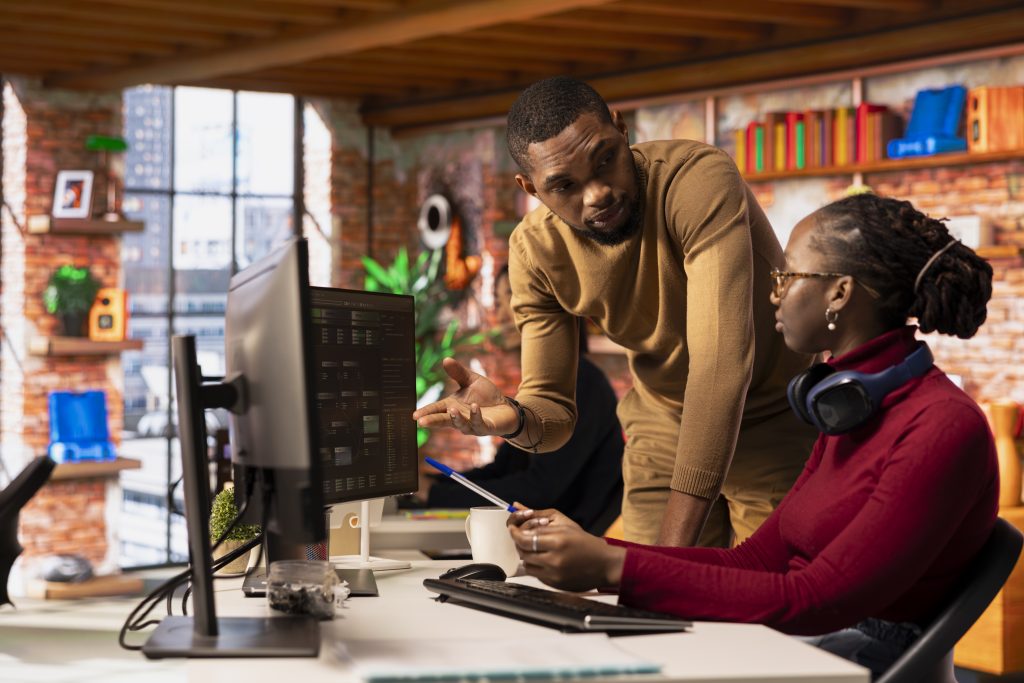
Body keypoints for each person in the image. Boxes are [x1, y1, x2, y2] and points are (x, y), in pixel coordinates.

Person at [506, 194, 998, 679]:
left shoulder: (942, 426)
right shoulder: (847, 411)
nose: (774, 294)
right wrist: (599, 549)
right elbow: (758, 560)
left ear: (840, 294)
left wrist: (611, 568)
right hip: (814, 642)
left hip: (859, 658)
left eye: (789, 276)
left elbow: (815, 600)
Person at [413, 76, 816, 547]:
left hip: (770, 415)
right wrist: (516, 420)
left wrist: (665, 561)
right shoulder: (536, 250)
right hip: (663, 419)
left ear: (622, 131)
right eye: (564, 184)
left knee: (766, 599)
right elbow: (554, 414)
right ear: (532, 188)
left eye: (605, 159)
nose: (596, 194)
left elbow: (720, 368)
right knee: (651, 612)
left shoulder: (696, 180)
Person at [411, 265, 625, 535]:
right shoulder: (541, 387)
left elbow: (539, 491)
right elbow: (503, 470)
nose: (501, 314)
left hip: (571, 544)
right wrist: (432, 484)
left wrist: (434, 495)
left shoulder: (581, 383)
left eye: (512, 296)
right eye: (499, 301)